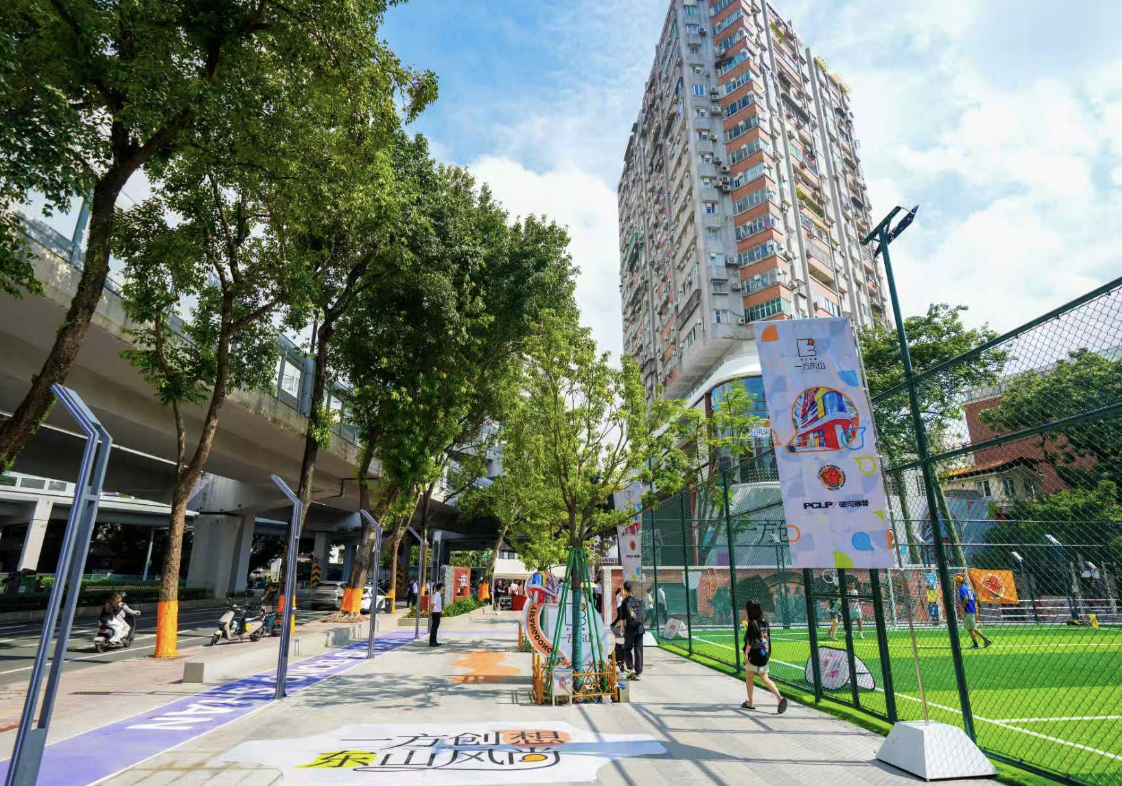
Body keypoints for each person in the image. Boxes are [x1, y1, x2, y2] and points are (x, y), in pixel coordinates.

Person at [741, 599, 787, 713]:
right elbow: (766, 639)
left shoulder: (752, 624)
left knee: (749, 676)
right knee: (765, 678)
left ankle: (750, 703)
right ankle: (779, 698)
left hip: (753, 656)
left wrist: (745, 656)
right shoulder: (765, 622)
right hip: (763, 654)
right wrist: (766, 654)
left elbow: (750, 643)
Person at [615, 581, 645, 680]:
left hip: (631, 629)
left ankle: (630, 668)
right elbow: (642, 615)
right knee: (638, 650)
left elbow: (622, 618)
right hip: (640, 628)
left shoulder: (625, 602)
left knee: (627, 649)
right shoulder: (638, 600)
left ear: (624, 589)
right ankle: (638, 672)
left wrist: (622, 628)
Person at [955, 574, 992, 648]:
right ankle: (976, 644)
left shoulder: (962, 589)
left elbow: (966, 598)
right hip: (972, 610)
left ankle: (985, 640)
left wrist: (962, 607)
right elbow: (975, 599)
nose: (955, 583)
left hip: (968, 610)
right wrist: (977, 608)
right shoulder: (968, 588)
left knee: (972, 628)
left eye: (956, 582)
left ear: (959, 582)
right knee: (971, 628)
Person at [429, 582, 444, 647]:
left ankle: (434, 641)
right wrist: (431, 611)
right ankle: (432, 642)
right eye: (443, 587)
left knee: (435, 628)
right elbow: (433, 604)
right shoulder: (436, 594)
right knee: (434, 628)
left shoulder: (438, 595)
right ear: (440, 588)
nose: (443, 588)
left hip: (438, 613)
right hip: (435, 613)